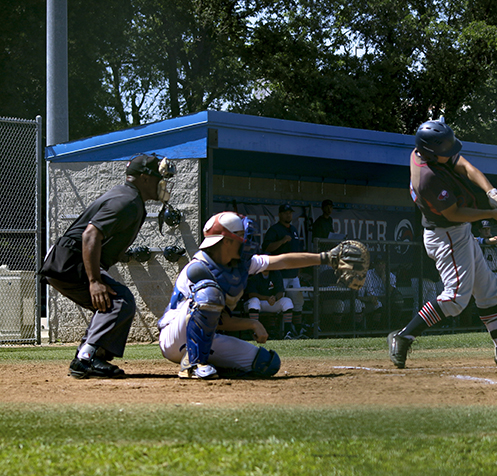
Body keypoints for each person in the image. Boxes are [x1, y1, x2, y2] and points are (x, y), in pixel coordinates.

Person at [388, 116, 497, 369]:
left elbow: (465, 166)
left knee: (488, 290)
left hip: (458, 232)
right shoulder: (427, 178)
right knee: (455, 298)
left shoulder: (428, 152)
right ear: (432, 153)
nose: (451, 153)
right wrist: (491, 214)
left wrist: (491, 193)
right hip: (446, 236)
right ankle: (403, 336)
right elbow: (453, 213)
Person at [158, 211, 350, 379]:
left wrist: (325, 258)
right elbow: (208, 312)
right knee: (210, 293)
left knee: (266, 363)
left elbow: (282, 261)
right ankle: (192, 365)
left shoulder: (240, 264)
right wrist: (252, 323)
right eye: (241, 236)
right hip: (175, 337)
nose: (247, 242)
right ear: (225, 241)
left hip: (207, 337)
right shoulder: (198, 269)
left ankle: (210, 364)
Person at [39, 153, 176, 378]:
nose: (163, 183)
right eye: (157, 177)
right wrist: (94, 281)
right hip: (68, 261)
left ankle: (91, 354)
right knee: (119, 300)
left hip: (66, 259)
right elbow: (90, 235)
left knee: (111, 302)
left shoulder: (129, 197)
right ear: (143, 178)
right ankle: (87, 358)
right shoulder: (128, 200)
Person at [262, 204, 306, 331]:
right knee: (276, 302)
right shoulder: (274, 230)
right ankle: (274, 330)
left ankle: (297, 329)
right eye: (286, 212)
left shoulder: (294, 230)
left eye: (290, 212)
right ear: (280, 214)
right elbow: (266, 248)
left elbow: (298, 252)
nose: (289, 215)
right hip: (279, 274)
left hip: (293, 274)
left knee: (297, 302)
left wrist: (299, 270)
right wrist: (281, 241)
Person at [244, 269, 295, 338]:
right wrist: (266, 298)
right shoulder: (253, 273)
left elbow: (280, 292)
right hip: (256, 303)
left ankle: (287, 332)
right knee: (254, 301)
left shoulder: (276, 273)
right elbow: (251, 294)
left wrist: (275, 298)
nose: (265, 267)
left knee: (287, 301)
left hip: (271, 302)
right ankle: (255, 332)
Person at [359, 256, 401, 330]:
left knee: (396, 302)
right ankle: (376, 330)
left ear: (385, 264)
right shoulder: (369, 274)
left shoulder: (391, 276)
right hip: (372, 299)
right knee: (377, 304)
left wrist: (383, 278)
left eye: (382, 263)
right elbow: (369, 294)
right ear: (374, 265)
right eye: (378, 263)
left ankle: (393, 327)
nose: (380, 266)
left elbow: (390, 291)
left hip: (386, 299)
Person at [476, 220, 497, 307]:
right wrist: (495, 240)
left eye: (488, 229)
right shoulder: (477, 240)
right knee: (488, 301)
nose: (487, 231)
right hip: (485, 275)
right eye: (484, 229)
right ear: (480, 230)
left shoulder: (496, 240)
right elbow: (490, 241)